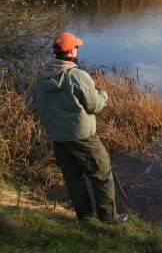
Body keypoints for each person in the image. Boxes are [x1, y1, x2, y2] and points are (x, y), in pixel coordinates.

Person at [34, 32, 127, 223]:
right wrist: (103, 95)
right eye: (76, 46)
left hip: (58, 138)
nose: (77, 49)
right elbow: (96, 106)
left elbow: (41, 105)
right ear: (71, 51)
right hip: (83, 138)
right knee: (102, 175)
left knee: (73, 178)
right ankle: (109, 219)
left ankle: (84, 217)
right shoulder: (78, 76)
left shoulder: (42, 77)